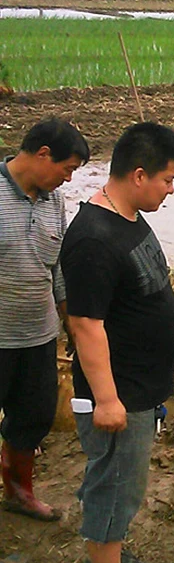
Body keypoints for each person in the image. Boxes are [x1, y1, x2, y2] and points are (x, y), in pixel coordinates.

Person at [61, 122, 174, 563]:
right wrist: (108, 399)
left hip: (138, 384)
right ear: (139, 175)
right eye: (167, 180)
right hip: (119, 391)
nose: (171, 189)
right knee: (114, 482)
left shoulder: (127, 216)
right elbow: (85, 325)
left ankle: (106, 557)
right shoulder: (93, 237)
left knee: (120, 482)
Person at [1, 118, 89, 521]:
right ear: (41, 155)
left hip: (37, 336)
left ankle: (19, 492)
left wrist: (69, 319)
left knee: (33, 416)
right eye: (66, 169)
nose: (68, 179)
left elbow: (57, 269)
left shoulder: (54, 203)